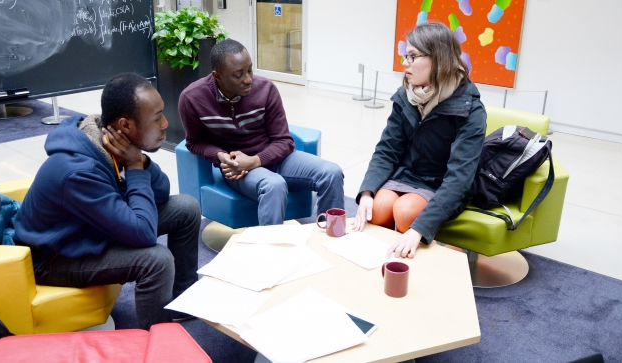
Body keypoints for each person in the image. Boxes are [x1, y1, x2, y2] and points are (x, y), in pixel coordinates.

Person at [13, 73, 201, 330]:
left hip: (91, 229)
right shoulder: (78, 171)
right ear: (125, 125)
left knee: (186, 207)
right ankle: (156, 341)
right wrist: (134, 168)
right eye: (156, 118)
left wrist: (141, 162)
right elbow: (144, 234)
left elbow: (161, 191)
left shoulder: (112, 143)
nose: (166, 123)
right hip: (55, 257)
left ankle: (181, 301)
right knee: (156, 259)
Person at [352, 22, 486, 259]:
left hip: (441, 184)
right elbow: (387, 150)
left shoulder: (470, 109)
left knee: (406, 212)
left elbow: (459, 177)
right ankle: (377, 264)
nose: (405, 63)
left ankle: (408, 271)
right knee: (378, 207)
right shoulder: (406, 96)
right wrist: (367, 192)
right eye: (406, 55)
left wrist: (418, 230)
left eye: (413, 57)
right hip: (407, 176)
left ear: (439, 59)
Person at [179, 39, 344, 225]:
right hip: (238, 170)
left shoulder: (266, 89)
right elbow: (194, 142)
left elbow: (284, 141)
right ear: (217, 76)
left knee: (332, 172)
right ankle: (269, 251)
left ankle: (330, 239)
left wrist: (254, 161)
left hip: (276, 159)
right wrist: (221, 156)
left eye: (249, 70)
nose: (248, 79)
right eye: (238, 75)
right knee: (274, 185)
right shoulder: (192, 98)